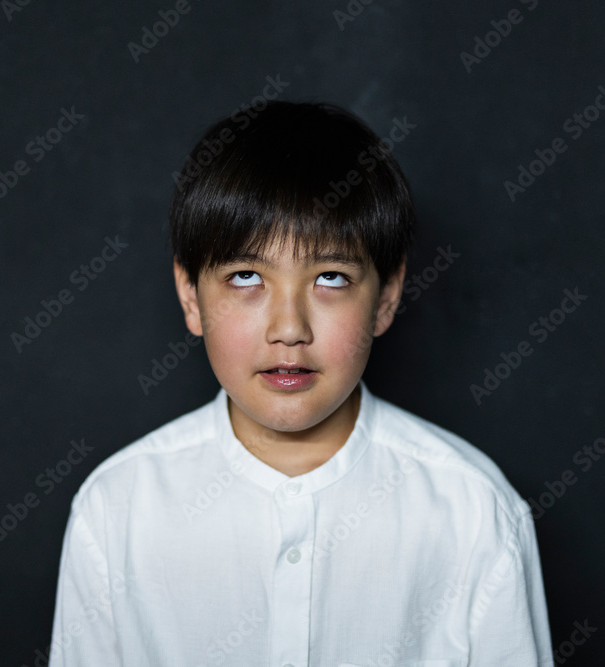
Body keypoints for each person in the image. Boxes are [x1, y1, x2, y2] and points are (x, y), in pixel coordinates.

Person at [49, 100, 554, 666]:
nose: (289, 328)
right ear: (191, 296)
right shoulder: (116, 509)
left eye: (330, 278)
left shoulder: (474, 511)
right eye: (246, 276)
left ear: (386, 297)